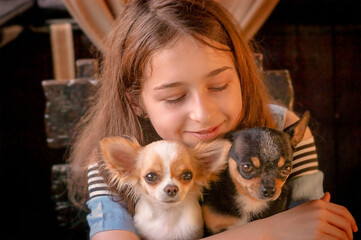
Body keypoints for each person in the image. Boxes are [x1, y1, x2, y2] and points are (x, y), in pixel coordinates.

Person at [68, 0, 358, 239]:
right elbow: (297, 228)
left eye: (219, 86)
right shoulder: (116, 159)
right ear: (136, 102)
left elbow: (315, 228)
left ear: (241, 76)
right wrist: (270, 230)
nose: (203, 113)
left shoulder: (282, 129)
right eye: (175, 97)